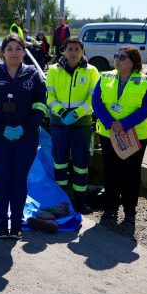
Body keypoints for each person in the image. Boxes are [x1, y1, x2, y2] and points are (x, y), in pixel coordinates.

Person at [0, 34, 47, 239]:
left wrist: (24, 129)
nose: (14, 53)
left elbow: (40, 108)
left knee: (19, 180)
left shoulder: (33, 75)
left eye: (18, 48)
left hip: (25, 139)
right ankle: (1, 224)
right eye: (9, 49)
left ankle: (16, 224)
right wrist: (2, 129)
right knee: (1, 180)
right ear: (2, 52)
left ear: (23, 51)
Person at [91, 45, 147, 225]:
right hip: (108, 133)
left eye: (122, 57)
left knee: (131, 174)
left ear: (133, 61)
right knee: (111, 172)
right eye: (116, 56)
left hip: (135, 135)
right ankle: (110, 208)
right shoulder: (105, 76)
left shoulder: (144, 81)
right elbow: (96, 101)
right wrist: (110, 123)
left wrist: (124, 124)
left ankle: (129, 211)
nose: (117, 60)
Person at [46, 36, 100, 213]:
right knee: (59, 160)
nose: (74, 53)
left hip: (81, 124)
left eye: (77, 49)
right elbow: (49, 96)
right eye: (70, 49)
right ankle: (60, 197)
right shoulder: (53, 70)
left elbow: (93, 98)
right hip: (59, 123)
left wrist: (76, 114)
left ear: (83, 51)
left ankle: (80, 199)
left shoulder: (91, 71)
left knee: (81, 162)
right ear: (64, 51)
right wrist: (62, 113)